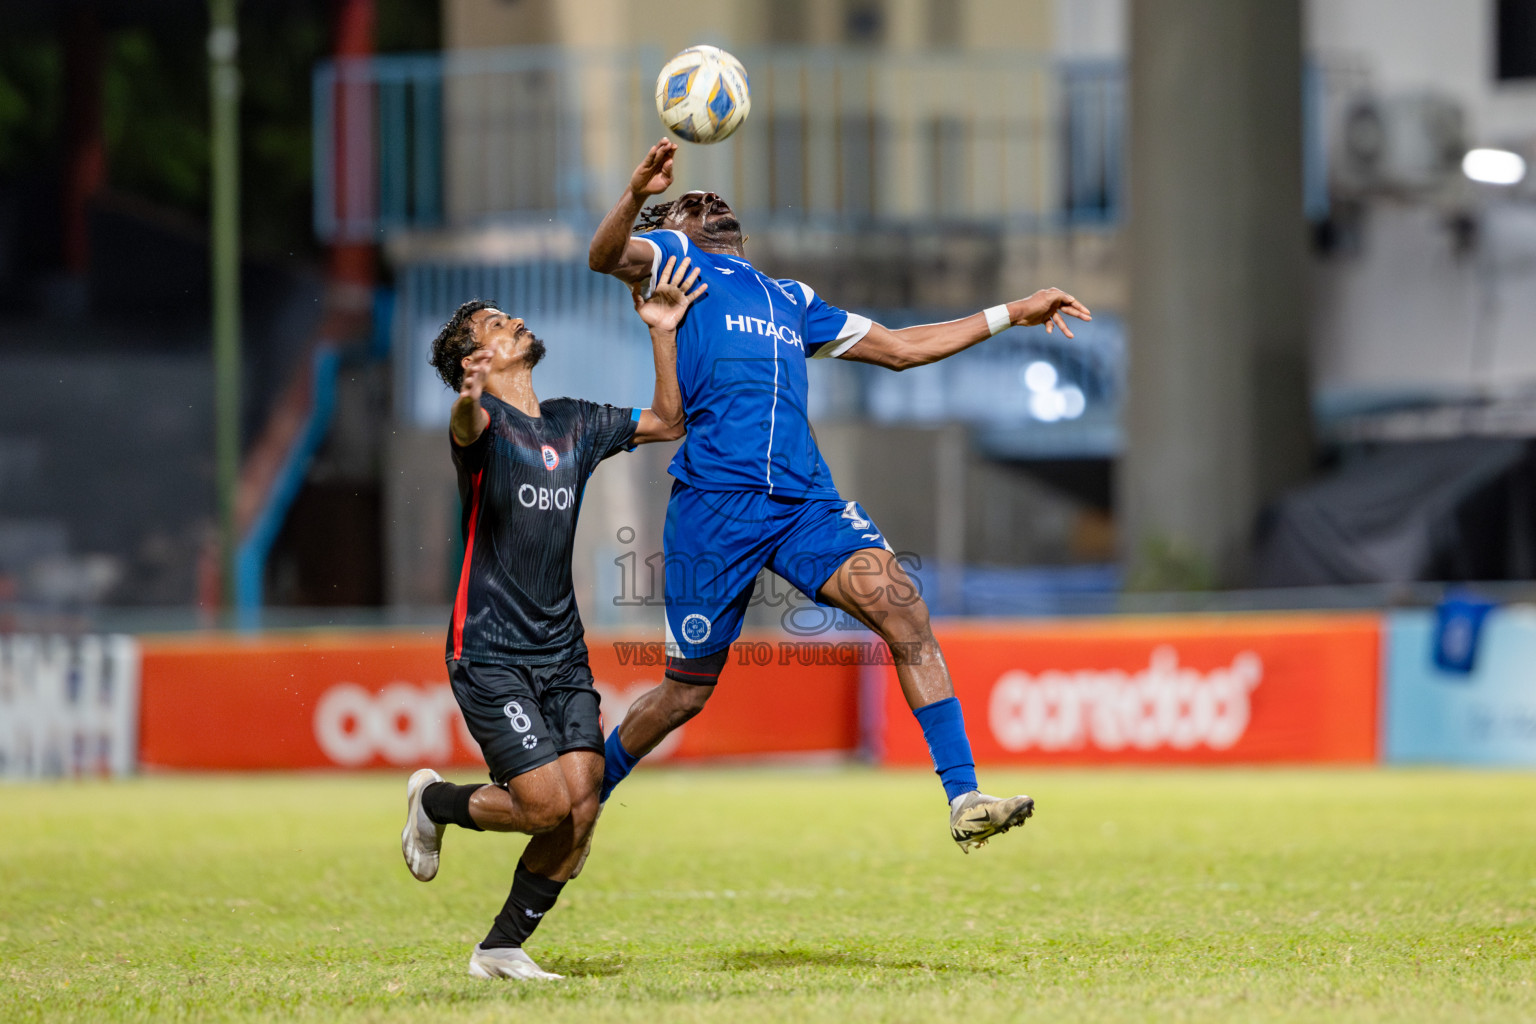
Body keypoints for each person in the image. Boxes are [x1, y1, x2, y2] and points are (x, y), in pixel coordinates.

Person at [588, 139, 1093, 852]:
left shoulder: (790, 299)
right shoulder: (674, 265)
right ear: (671, 229)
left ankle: (965, 796)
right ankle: (592, 791)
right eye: (693, 204)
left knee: (902, 606)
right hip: (713, 508)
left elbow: (901, 348)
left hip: (804, 505)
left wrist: (1015, 309)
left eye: (718, 200)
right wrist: (639, 192)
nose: (711, 204)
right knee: (684, 694)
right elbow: (603, 256)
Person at [399, 257, 706, 980]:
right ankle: (433, 800)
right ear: (480, 358)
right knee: (542, 806)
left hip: (562, 651)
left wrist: (661, 333)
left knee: (583, 808)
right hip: (490, 649)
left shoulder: (574, 422)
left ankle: (501, 949)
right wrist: (469, 398)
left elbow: (668, 420)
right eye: (498, 324)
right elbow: (465, 425)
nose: (515, 322)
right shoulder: (482, 427)